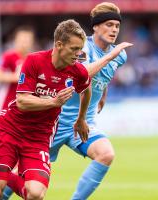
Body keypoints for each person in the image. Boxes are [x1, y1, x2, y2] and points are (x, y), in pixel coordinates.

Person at [0, 19, 132, 200]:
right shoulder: (33, 60)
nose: (78, 54)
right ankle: (1, 180)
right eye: (74, 49)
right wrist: (54, 102)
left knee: (36, 194)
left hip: (40, 137)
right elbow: (22, 101)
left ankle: (7, 177)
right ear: (59, 45)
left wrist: (81, 119)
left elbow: (87, 87)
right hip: (11, 131)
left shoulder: (77, 71)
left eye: (80, 49)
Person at [51, 2, 129, 199]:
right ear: (95, 26)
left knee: (106, 154)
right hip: (54, 121)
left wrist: (103, 94)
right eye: (108, 25)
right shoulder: (82, 45)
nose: (114, 30)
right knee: (19, 179)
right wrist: (111, 55)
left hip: (83, 123)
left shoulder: (119, 56)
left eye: (117, 26)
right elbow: (83, 74)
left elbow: (104, 76)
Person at [0, 26, 35, 187]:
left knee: (20, 142)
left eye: (27, 40)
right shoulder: (9, 56)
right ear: (16, 41)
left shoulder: (33, 58)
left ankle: (7, 175)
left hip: (25, 108)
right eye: (21, 40)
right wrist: (15, 77)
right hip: (5, 104)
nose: (24, 43)